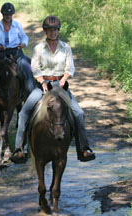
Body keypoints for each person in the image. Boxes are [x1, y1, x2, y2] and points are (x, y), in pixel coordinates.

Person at [10, 15, 95, 163]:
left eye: (55, 30)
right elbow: (35, 68)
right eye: (50, 30)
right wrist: (42, 82)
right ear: (45, 31)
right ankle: (20, 149)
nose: (53, 33)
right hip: (42, 85)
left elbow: (70, 68)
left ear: (58, 31)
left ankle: (84, 148)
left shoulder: (66, 48)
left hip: (61, 86)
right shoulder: (39, 48)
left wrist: (63, 80)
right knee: (24, 112)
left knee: (79, 113)